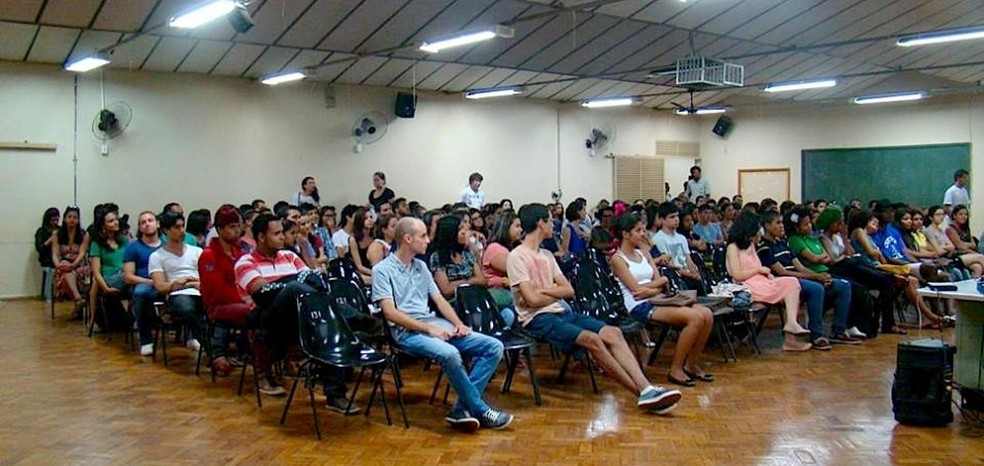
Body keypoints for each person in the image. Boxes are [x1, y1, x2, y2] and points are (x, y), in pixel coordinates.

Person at [507, 203, 683, 413]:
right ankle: (642, 393)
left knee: (613, 332)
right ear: (540, 223)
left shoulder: (546, 255)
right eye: (549, 220)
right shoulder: (516, 256)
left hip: (560, 311)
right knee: (592, 340)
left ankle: (646, 388)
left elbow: (568, 291)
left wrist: (543, 291)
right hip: (537, 320)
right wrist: (551, 291)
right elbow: (531, 301)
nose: (553, 223)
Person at [372, 217, 513, 431]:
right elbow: (391, 313)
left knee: (494, 347)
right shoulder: (382, 270)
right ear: (408, 239)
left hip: (433, 324)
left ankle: (460, 409)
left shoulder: (421, 266)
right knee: (449, 353)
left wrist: (458, 324)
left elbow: (439, 299)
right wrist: (429, 329)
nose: (428, 240)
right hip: (407, 331)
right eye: (423, 236)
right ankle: (481, 409)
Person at [234, 214, 353, 410]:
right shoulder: (245, 262)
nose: (283, 237)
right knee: (295, 289)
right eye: (277, 233)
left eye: (282, 232)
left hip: (301, 316)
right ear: (261, 237)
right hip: (269, 320)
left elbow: (312, 279)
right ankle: (352, 317)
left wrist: (295, 281)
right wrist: (294, 281)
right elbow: (263, 294)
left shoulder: (290, 256)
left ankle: (335, 395)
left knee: (327, 325)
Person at [610, 213, 715, 386]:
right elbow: (636, 291)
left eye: (644, 229)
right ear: (625, 234)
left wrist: (654, 286)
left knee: (707, 314)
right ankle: (676, 369)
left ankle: (691, 365)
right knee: (695, 318)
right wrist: (656, 285)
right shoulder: (617, 259)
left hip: (657, 298)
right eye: (638, 230)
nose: (643, 234)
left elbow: (660, 282)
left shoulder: (645, 254)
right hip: (638, 305)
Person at [764, 209, 861, 348]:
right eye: (777, 223)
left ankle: (839, 330)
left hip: (801, 277)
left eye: (781, 223)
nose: (781, 226)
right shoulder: (765, 247)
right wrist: (816, 277)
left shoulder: (783, 244)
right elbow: (783, 272)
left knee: (843, 286)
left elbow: (801, 268)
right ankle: (817, 334)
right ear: (767, 226)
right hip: (784, 282)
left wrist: (819, 276)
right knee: (816, 288)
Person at [198, 205, 270, 378]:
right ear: (219, 229)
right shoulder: (208, 255)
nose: (237, 230)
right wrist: (247, 299)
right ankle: (262, 368)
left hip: (242, 302)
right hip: (219, 305)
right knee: (260, 314)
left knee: (274, 310)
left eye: (239, 226)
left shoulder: (242, 252)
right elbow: (216, 293)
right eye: (232, 227)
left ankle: (279, 358)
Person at [725, 212, 811, 351]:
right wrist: (758, 270)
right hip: (746, 285)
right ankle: (790, 333)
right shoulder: (732, 247)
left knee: (792, 283)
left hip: (761, 280)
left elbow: (759, 267)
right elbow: (736, 274)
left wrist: (769, 275)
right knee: (787, 291)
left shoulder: (750, 245)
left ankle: (791, 325)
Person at [814, 206, 900, 336]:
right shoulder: (822, 238)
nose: (841, 225)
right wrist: (844, 256)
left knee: (887, 280)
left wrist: (844, 237)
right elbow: (833, 260)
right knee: (863, 286)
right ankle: (867, 324)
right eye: (839, 222)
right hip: (841, 268)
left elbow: (850, 252)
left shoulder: (838, 238)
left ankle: (887, 322)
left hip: (850, 264)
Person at [149, 211, 204, 356]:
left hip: (199, 290)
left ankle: (211, 343)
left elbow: (206, 279)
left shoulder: (197, 252)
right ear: (166, 231)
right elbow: (160, 286)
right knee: (186, 307)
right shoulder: (157, 256)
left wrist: (188, 282)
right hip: (177, 294)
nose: (182, 230)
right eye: (177, 227)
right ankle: (207, 342)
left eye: (182, 226)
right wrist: (185, 283)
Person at [122, 211, 166, 356]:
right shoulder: (133, 247)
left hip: (166, 284)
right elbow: (128, 276)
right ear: (140, 228)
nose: (147, 224)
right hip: (144, 283)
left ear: (157, 224)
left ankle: (192, 337)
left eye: (150, 220)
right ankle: (146, 340)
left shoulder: (167, 245)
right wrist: (151, 281)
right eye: (143, 222)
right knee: (140, 293)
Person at [89, 206, 130, 330]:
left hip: (126, 276)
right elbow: (96, 272)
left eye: (116, 219)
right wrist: (105, 288)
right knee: (131, 276)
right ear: (103, 226)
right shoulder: (97, 244)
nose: (116, 222)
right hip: (110, 279)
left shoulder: (124, 240)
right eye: (111, 221)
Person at [924, 205, 984, 274]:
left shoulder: (940, 230)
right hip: (948, 259)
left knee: (977, 267)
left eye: (942, 214)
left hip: (950, 256)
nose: (941, 217)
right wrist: (946, 248)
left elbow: (952, 247)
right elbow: (939, 251)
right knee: (980, 257)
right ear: (931, 217)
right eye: (938, 215)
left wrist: (945, 247)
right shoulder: (930, 231)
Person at [53, 206, 91, 316]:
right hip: (63, 266)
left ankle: (77, 302)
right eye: (69, 217)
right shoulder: (57, 234)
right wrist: (58, 265)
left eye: (75, 217)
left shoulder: (84, 235)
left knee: (68, 273)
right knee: (65, 269)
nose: (72, 219)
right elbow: (54, 254)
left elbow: (82, 253)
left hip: (80, 266)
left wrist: (73, 265)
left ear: (78, 220)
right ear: (64, 219)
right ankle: (78, 299)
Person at [652, 203, 702, 286]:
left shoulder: (682, 238)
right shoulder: (659, 238)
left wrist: (695, 273)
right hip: (675, 278)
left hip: (688, 275)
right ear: (662, 219)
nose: (676, 219)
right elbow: (669, 264)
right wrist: (690, 275)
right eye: (672, 217)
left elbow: (688, 260)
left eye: (677, 216)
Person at [346, 208, 375, 284]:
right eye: (366, 218)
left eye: (371, 217)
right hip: (359, 271)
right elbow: (359, 266)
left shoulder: (375, 237)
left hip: (373, 269)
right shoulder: (353, 239)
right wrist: (374, 273)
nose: (370, 220)